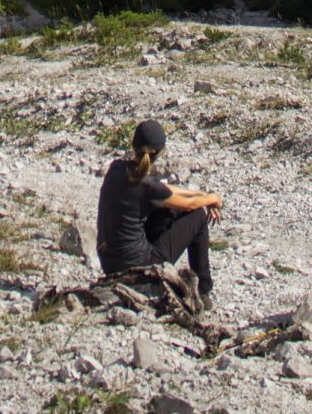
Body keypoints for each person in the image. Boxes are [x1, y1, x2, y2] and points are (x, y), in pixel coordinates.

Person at [95, 119, 222, 298]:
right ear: (159, 153)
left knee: (169, 210)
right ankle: (203, 289)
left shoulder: (116, 169)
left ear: (134, 144)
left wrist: (202, 196)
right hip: (140, 266)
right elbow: (189, 205)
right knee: (198, 216)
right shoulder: (146, 186)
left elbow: (166, 191)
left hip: (109, 263)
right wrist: (213, 198)